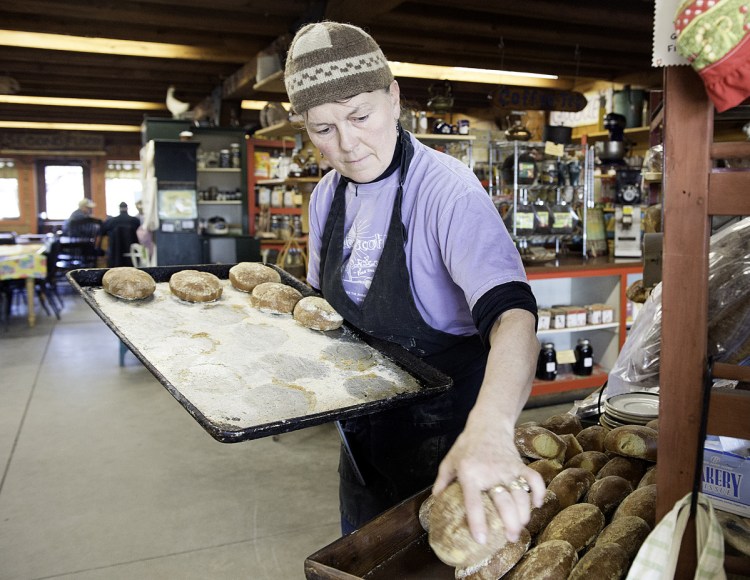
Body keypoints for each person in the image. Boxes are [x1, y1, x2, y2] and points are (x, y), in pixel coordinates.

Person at [284, 21, 545, 545]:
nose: (348, 144)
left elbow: (515, 319)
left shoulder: (445, 190)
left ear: (394, 98)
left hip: (455, 453)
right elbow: (322, 320)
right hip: (362, 453)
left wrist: (492, 431)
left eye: (360, 115)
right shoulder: (325, 198)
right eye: (322, 129)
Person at [100, 202, 141, 267]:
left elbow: (102, 233)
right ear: (127, 208)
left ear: (119, 209)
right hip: (132, 256)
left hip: (115, 256)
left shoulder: (111, 221)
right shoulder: (135, 221)